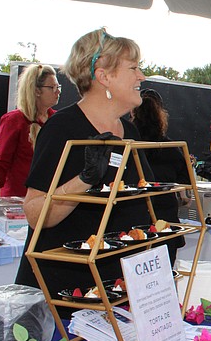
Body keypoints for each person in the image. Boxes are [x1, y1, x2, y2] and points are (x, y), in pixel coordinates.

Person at [17, 28, 154, 294]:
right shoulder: (62, 129)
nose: (141, 76)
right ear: (104, 76)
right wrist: (84, 180)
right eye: (133, 68)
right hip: (65, 290)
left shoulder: (131, 132)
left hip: (114, 286)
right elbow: (34, 213)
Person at [0, 65, 60, 199]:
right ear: (37, 90)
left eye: (58, 87)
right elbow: (1, 160)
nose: (58, 92)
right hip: (17, 199)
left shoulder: (57, 120)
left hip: (49, 199)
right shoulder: (14, 120)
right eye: (52, 87)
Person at [131, 88, 192, 260]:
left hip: (135, 220)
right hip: (165, 222)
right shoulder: (172, 149)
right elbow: (186, 195)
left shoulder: (129, 146)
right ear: (161, 115)